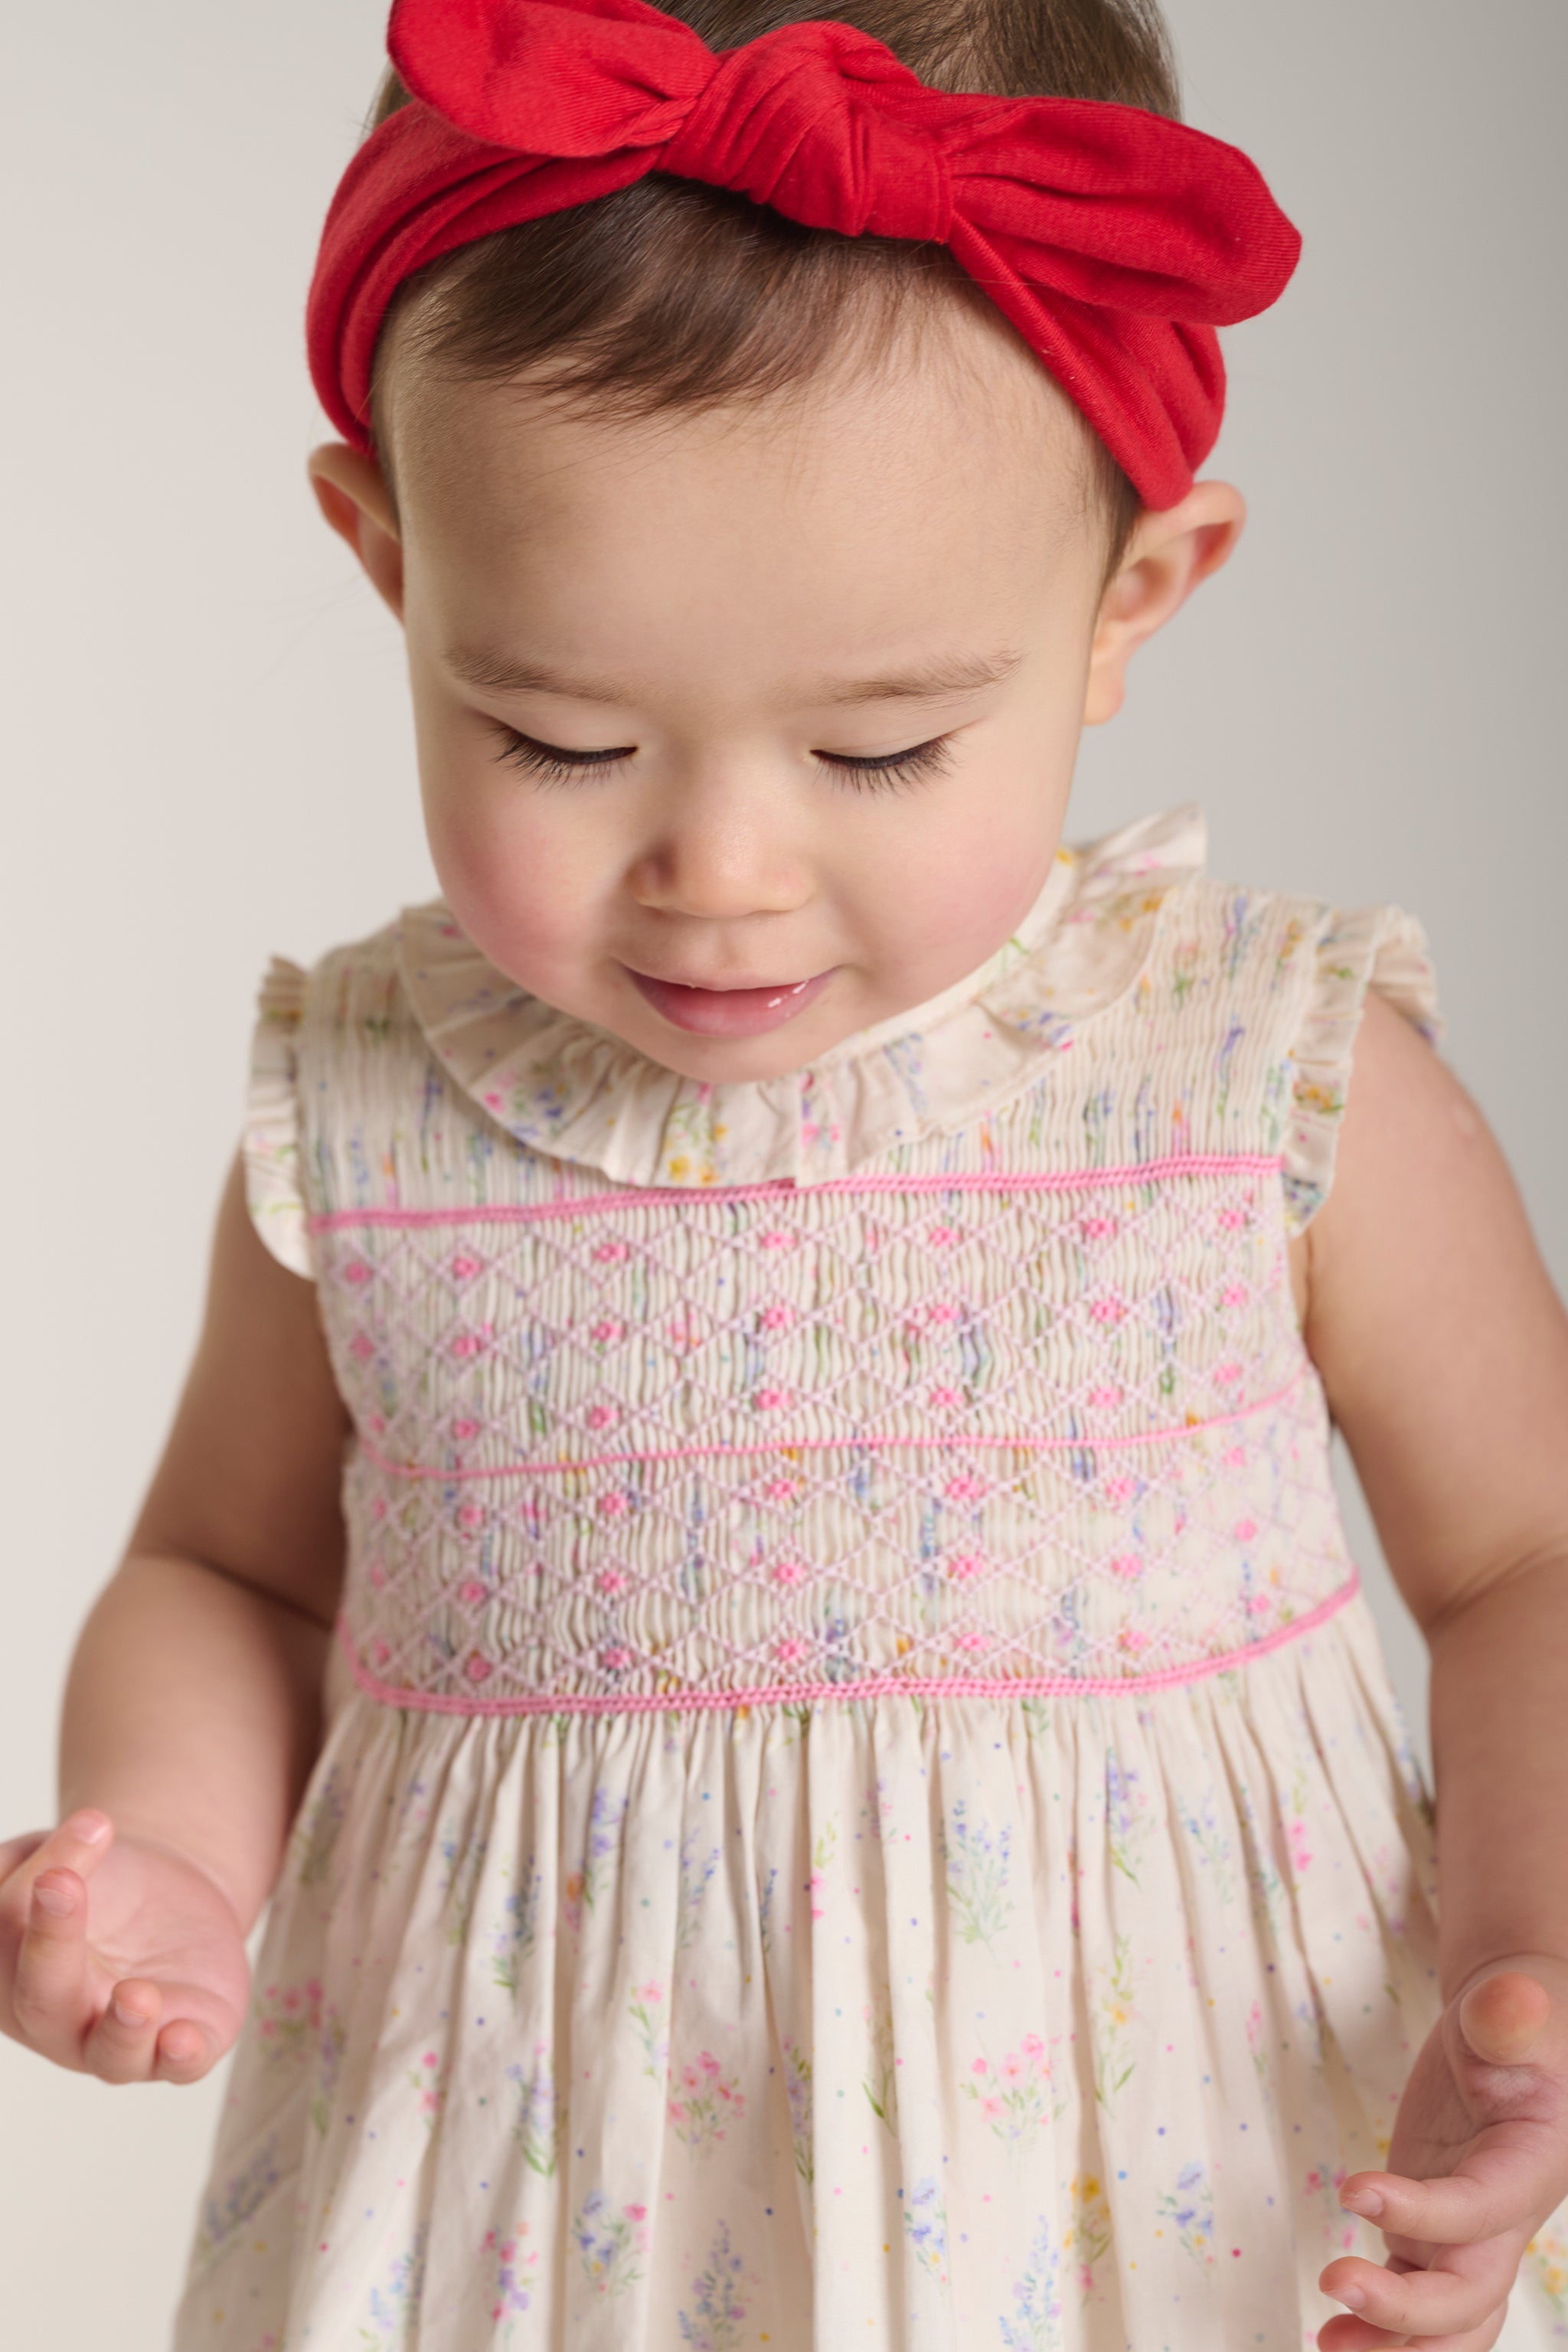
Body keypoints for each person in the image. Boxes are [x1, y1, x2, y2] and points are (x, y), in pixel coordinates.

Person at [5, 0, 1568, 2342]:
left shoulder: (1266, 1073)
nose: (718, 871)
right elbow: (235, 1571)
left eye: (881, 746)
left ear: (1133, 595)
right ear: (384, 553)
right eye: (561, 734)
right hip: (531, 2214)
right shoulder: (365, 1100)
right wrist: (167, 1868)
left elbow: (1527, 1563)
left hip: (1167, 2195)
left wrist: (1533, 1963)